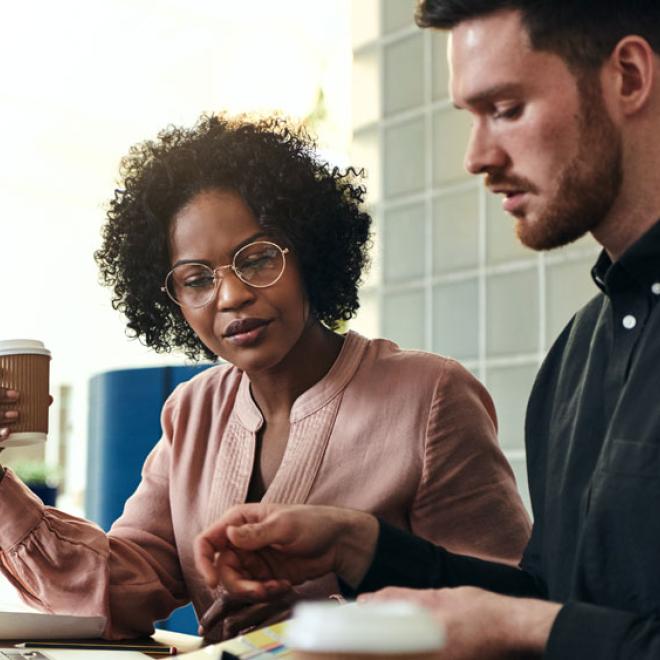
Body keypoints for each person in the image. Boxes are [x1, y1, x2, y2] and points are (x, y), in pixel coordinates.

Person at [194, 1, 660, 658]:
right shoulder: (577, 360)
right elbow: (556, 604)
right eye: (469, 117)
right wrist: (359, 546)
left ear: (630, 76)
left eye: (506, 109)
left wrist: (516, 627)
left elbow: (539, 625)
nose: (476, 157)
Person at [0, 115, 530, 641]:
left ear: (311, 252)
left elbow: (509, 606)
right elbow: (118, 594)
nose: (230, 296)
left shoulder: (430, 396)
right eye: (197, 279)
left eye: (256, 259)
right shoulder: (192, 410)